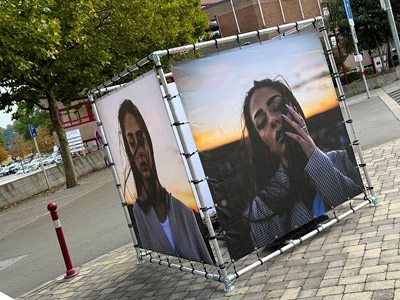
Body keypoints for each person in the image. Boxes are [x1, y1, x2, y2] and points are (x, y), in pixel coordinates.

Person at [242, 78, 363, 248]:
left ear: (296, 109)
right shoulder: (261, 206)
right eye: (261, 123)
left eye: (277, 106)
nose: (272, 120)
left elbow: (361, 210)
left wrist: (313, 155)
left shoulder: (341, 160)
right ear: (262, 142)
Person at [118, 99, 213, 265]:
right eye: (132, 143)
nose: (139, 152)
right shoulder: (138, 213)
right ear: (128, 150)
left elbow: (206, 257)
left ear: (149, 141)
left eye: (141, 139)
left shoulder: (182, 207)